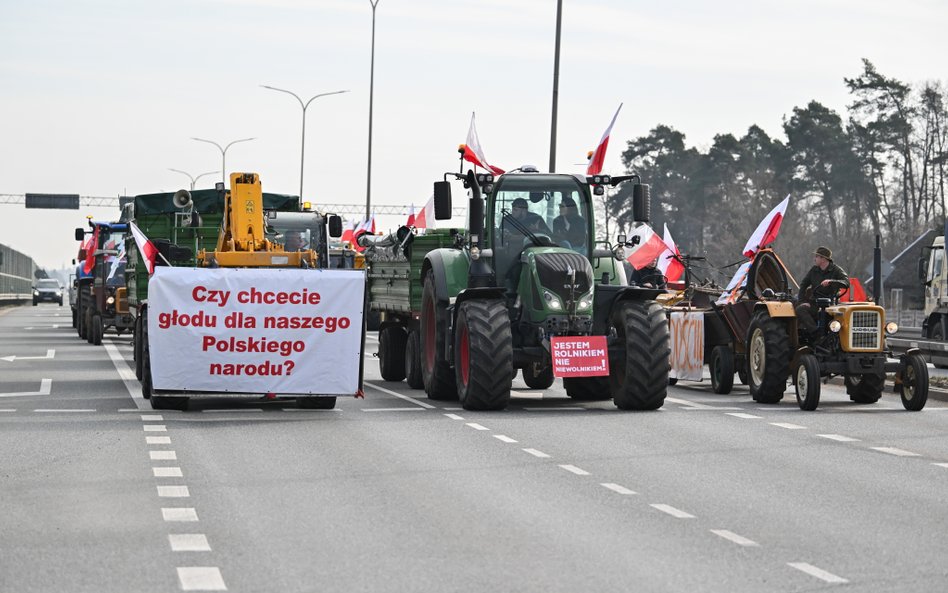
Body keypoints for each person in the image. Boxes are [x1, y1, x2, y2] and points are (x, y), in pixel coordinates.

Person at [796, 246, 849, 336]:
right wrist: (802, 301)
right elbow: (803, 284)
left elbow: (846, 282)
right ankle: (815, 333)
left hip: (831, 305)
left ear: (823, 259)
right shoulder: (814, 270)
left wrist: (832, 282)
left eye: (816, 257)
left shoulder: (836, 270)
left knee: (837, 317)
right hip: (815, 303)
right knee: (800, 309)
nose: (814, 259)